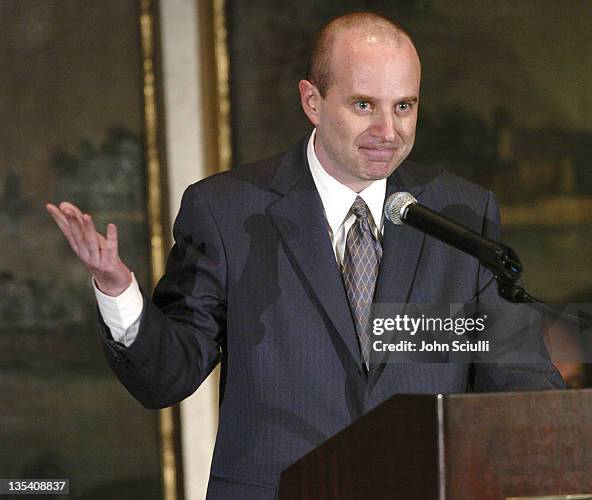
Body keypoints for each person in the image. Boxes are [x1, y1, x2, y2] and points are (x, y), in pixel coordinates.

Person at [47, 12, 564, 499]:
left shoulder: (462, 214)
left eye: (404, 106)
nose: (389, 131)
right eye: (364, 105)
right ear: (312, 101)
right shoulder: (227, 211)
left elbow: (523, 387)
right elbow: (167, 375)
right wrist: (118, 292)